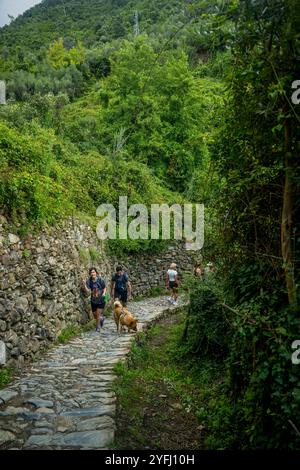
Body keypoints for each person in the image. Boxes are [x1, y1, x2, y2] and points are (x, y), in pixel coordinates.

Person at [82, 267, 107, 332]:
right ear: (90, 274)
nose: (92, 273)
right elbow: (88, 291)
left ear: (96, 273)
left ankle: (98, 327)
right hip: (93, 300)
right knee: (95, 315)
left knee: (98, 314)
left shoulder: (101, 280)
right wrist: (84, 284)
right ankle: (101, 319)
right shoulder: (89, 281)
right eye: (91, 272)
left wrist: (104, 293)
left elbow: (104, 288)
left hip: (101, 299)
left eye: (93, 272)